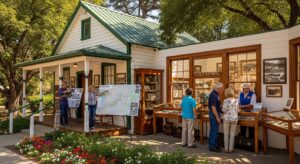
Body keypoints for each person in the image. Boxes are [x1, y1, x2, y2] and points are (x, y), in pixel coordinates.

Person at [208, 82, 224, 152]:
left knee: (214, 130)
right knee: (214, 131)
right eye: (221, 88)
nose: (222, 90)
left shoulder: (215, 94)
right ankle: (212, 146)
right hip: (214, 114)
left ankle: (214, 145)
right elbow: (213, 107)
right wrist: (217, 117)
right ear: (218, 88)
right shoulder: (214, 95)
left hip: (214, 114)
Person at [222, 88, 238, 153]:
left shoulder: (225, 100)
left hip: (226, 118)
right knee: (232, 134)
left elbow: (223, 110)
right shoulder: (236, 100)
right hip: (234, 118)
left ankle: (226, 149)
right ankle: (231, 149)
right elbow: (237, 110)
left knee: (226, 134)